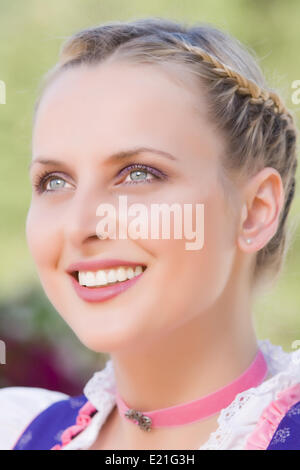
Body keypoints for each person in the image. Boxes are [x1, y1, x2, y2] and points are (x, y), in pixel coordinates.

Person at [1, 17, 300, 450]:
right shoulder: (21, 434)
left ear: (254, 211)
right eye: (54, 181)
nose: (81, 225)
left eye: (138, 174)